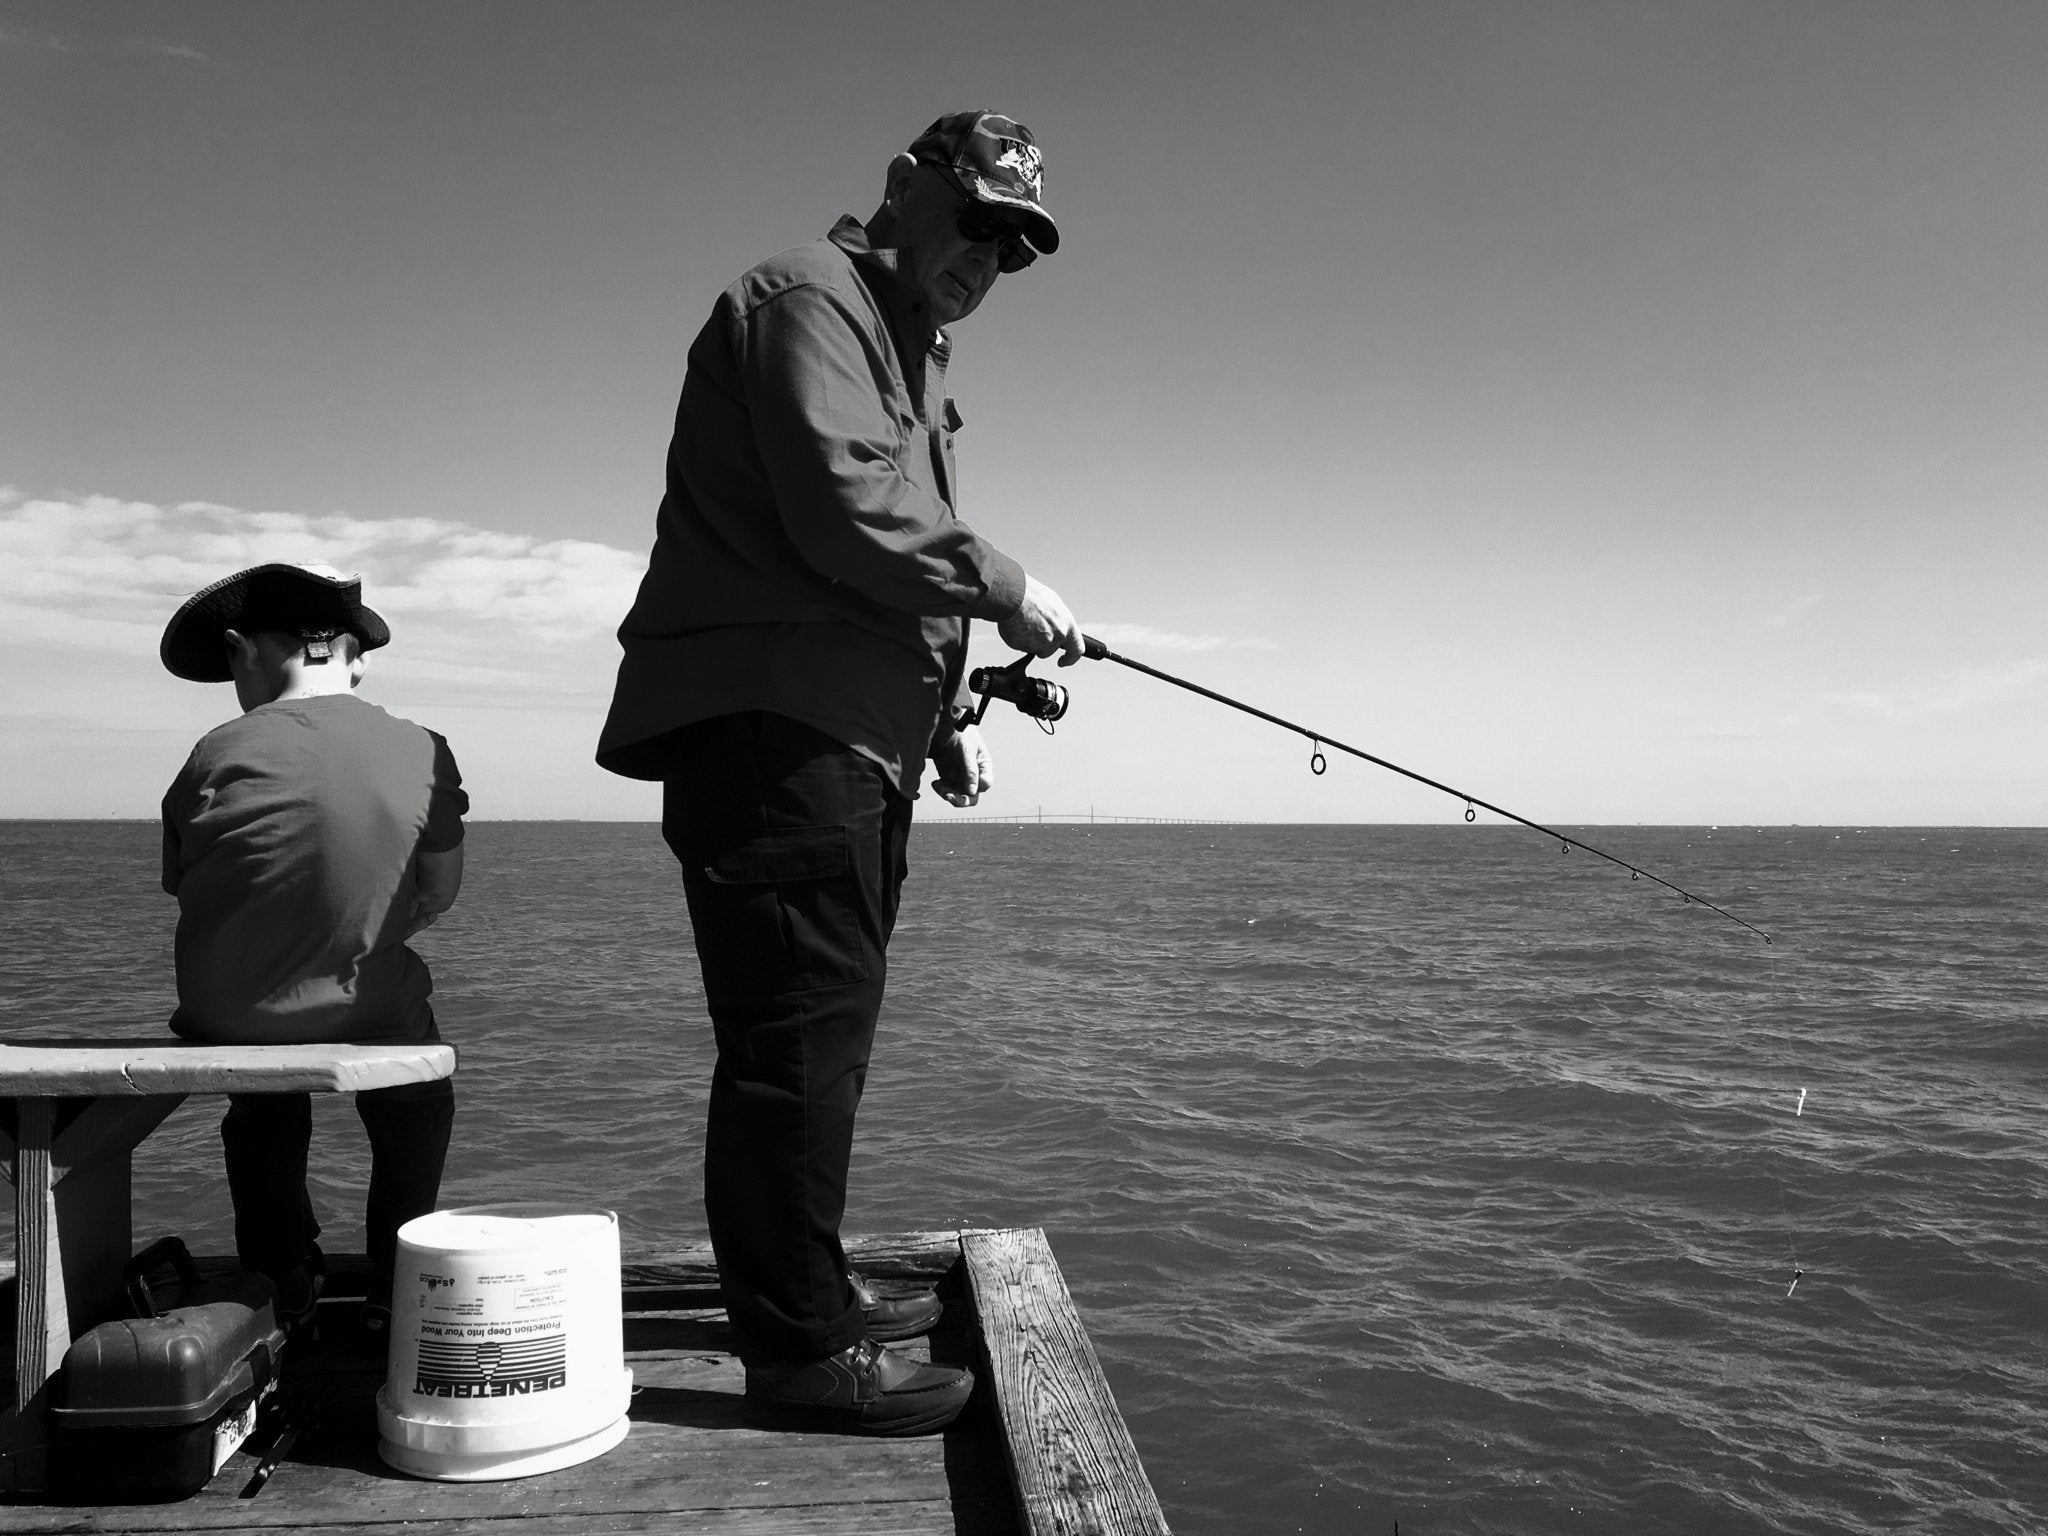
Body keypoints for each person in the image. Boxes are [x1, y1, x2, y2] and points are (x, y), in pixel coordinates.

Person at [597, 110, 1083, 1436]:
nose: (990, 257)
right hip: (776, 740)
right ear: (903, 188)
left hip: (845, 745)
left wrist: (946, 721)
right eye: (978, 218)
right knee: (797, 1050)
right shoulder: (808, 302)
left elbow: (873, 578)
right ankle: (803, 1349)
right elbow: (846, 506)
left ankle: (803, 1290)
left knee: (822, 1042)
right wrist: (1009, 588)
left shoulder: (911, 354)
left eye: (1017, 247)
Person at [159, 562, 468, 1343]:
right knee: (414, 1099)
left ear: (241, 651)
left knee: (260, 1101)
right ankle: (398, 1292)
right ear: (352, 659)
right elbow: (438, 893)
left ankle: (283, 1277)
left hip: (228, 1012)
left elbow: (186, 884)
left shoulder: (211, 754)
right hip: (367, 1003)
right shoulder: (423, 749)